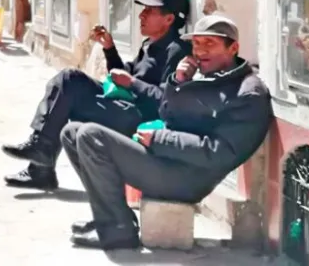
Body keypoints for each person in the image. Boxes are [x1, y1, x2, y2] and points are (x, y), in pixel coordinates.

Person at [62, 15, 271, 250]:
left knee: (91, 136)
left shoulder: (248, 94)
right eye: (196, 43)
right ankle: (110, 217)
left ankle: (118, 230)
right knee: (72, 132)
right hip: (167, 160)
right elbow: (167, 114)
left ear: (233, 47)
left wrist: (161, 139)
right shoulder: (207, 75)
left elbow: (219, 152)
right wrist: (178, 81)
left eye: (209, 43)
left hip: (188, 178)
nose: (200, 51)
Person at [2, 0, 192, 191]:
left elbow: (167, 99)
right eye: (143, 9)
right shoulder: (149, 44)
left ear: (169, 19)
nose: (141, 15)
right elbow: (125, 75)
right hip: (122, 104)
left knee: (68, 100)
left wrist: (132, 83)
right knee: (68, 80)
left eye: (150, 11)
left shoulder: (177, 50)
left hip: (137, 117)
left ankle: (40, 166)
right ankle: (40, 155)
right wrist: (109, 48)